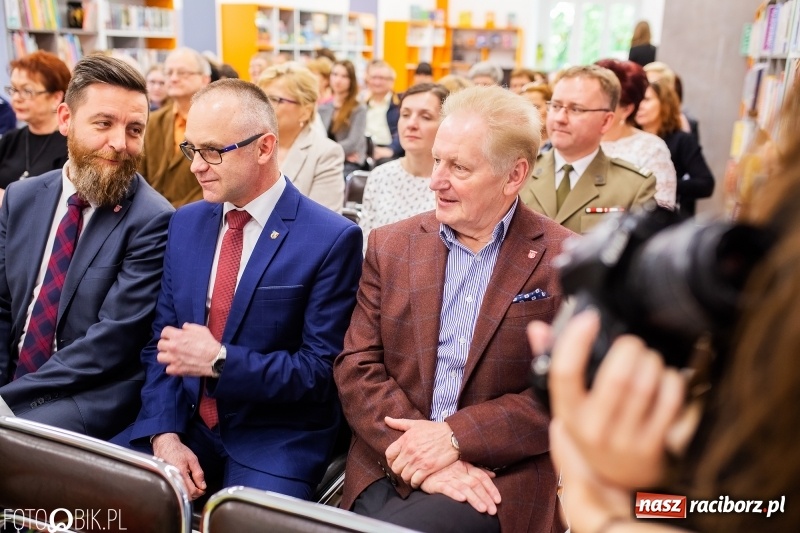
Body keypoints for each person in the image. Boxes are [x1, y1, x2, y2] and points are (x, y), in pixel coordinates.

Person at [528, 78, 800, 533]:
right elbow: (729, 507)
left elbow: (747, 509)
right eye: (556, 105)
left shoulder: (636, 179)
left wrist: (608, 509)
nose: (560, 116)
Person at [334, 85, 573, 533]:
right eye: (437, 160)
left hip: (497, 473)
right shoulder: (392, 245)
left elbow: (564, 395)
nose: (435, 181)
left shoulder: (563, 260)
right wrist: (420, 453)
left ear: (514, 175)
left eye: (459, 167)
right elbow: (357, 365)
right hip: (389, 457)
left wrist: (455, 437)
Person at [117, 79, 363, 503]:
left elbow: (321, 373)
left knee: (249, 521)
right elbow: (163, 343)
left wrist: (220, 361)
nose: (196, 166)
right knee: (96, 493)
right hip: (187, 421)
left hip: (274, 434)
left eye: (213, 151)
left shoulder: (330, 238)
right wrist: (164, 433)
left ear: (264, 148)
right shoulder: (186, 223)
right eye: (191, 149)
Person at [0, 55, 173, 438]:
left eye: (134, 129)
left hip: (87, 392)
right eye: (103, 124)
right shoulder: (21, 197)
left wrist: (6, 400)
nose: (120, 143)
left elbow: (111, 341)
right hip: (14, 376)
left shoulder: (152, 219)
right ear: (66, 119)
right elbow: (1, 305)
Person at [520, 65, 657, 235]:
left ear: (605, 121)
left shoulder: (634, 187)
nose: (560, 118)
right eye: (555, 106)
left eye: (576, 109)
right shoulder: (520, 172)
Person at [358, 83, 449, 248]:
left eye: (426, 117)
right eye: (405, 115)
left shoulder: (449, 183)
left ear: (446, 124)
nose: (411, 124)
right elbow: (364, 245)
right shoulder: (380, 176)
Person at [256, 62, 344, 211]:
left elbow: (323, 220)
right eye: (262, 99)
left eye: (275, 100)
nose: (264, 107)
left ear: (305, 111)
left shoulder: (325, 154)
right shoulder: (247, 145)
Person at [597, 58, 676, 209]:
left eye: (600, 104)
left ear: (627, 109)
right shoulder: (578, 139)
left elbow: (659, 211)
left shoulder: (651, 149)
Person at [140, 47, 211, 208]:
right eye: (168, 73)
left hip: (201, 212)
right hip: (154, 213)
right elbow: (140, 174)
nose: (173, 78)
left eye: (182, 73)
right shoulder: (153, 121)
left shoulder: (216, 123)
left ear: (204, 79)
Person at [636, 79, 714, 217]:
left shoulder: (682, 140)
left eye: (646, 100)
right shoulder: (629, 138)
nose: (640, 106)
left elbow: (706, 183)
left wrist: (667, 184)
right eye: (638, 100)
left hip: (660, 215)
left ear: (664, 104)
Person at [0, 51, 71, 200]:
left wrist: (7, 199)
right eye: (14, 89)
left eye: (27, 91)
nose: (16, 98)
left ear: (56, 97)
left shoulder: (72, 145)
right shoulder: (10, 140)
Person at [319, 60, 367, 177]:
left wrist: (327, 151)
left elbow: (353, 142)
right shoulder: (323, 108)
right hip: (326, 158)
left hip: (349, 162)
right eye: (335, 74)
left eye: (344, 76)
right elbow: (318, 137)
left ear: (351, 80)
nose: (338, 80)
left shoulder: (358, 109)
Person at [363, 60, 403, 165]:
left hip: (389, 151)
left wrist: (391, 149)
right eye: (373, 78)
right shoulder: (362, 104)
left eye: (381, 78)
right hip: (365, 150)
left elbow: (403, 131)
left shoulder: (399, 104)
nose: (377, 82)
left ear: (391, 81)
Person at [521, 81, 553, 153]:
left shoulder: (560, 144)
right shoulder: (517, 144)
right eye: (526, 108)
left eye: (536, 107)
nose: (531, 112)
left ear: (550, 107)